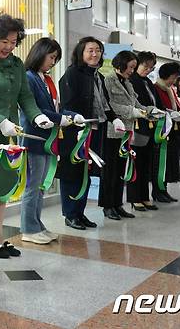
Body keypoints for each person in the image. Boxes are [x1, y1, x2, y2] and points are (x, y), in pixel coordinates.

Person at [0, 15, 51, 258]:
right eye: (4, 41)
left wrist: (36, 117)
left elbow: (25, 96)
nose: (9, 47)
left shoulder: (15, 64)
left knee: (2, 186)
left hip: (8, 132)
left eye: (14, 42)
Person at [21, 37, 83, 243]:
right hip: (35, 139)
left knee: (41, 185)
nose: (53, 62)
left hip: (48, 140)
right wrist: (61, 119)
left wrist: (72, 116)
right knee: (33, 186)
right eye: (51, 57)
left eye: (56, 59)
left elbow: (55, 107)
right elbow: (36, 109)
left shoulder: (45, 79)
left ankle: (37, 224)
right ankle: (29, 228)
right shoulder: (29, 77)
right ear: (40, 54)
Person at [99, 50, 162, 220]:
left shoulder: (127, 82)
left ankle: (118, 204)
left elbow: (137, 103)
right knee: (110, 171)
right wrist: (134, 112)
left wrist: (150, 111)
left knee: (122, 170)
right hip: (113, 131)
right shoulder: (108, 80)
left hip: (127, 133)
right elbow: (110, 105)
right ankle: (108, 205)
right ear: (121, 64)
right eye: (131, 67)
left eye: (134, 68)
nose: (132, 71)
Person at [58, 36, 112, 230]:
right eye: (90, 50)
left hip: (95, 130)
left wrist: (114, 119)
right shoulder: (72, 74)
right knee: (72, 173)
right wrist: (78, 119)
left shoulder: (98, 76)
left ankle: (80, 213)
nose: (94, 54)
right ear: (81, 53)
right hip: (75, 132)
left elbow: (104, 105)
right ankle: (70, 214)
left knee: (86, 174)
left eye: (98, 50)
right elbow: (66, 105)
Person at [153, 62, 180, 202]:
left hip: (173, 131)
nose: (174, 80)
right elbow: (160, 108)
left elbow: (178, 105)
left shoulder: (170, 88)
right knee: (160, 163)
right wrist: (171, 114)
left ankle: (163, 190)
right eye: (173, 77)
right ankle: (157, 191)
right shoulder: (156, 88)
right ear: (165, 75)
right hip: (162, 131)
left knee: (170, 162)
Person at [128, 51, 162, 209]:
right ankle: (135, 198)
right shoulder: (131, 80)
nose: (148, 70)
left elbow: (157, 103)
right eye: (145, 66)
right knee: (136, 164)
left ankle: (144, 196)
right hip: (137, 127)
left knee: (146, 164)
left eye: (151, 68)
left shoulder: (148, 82)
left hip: (150, 128)